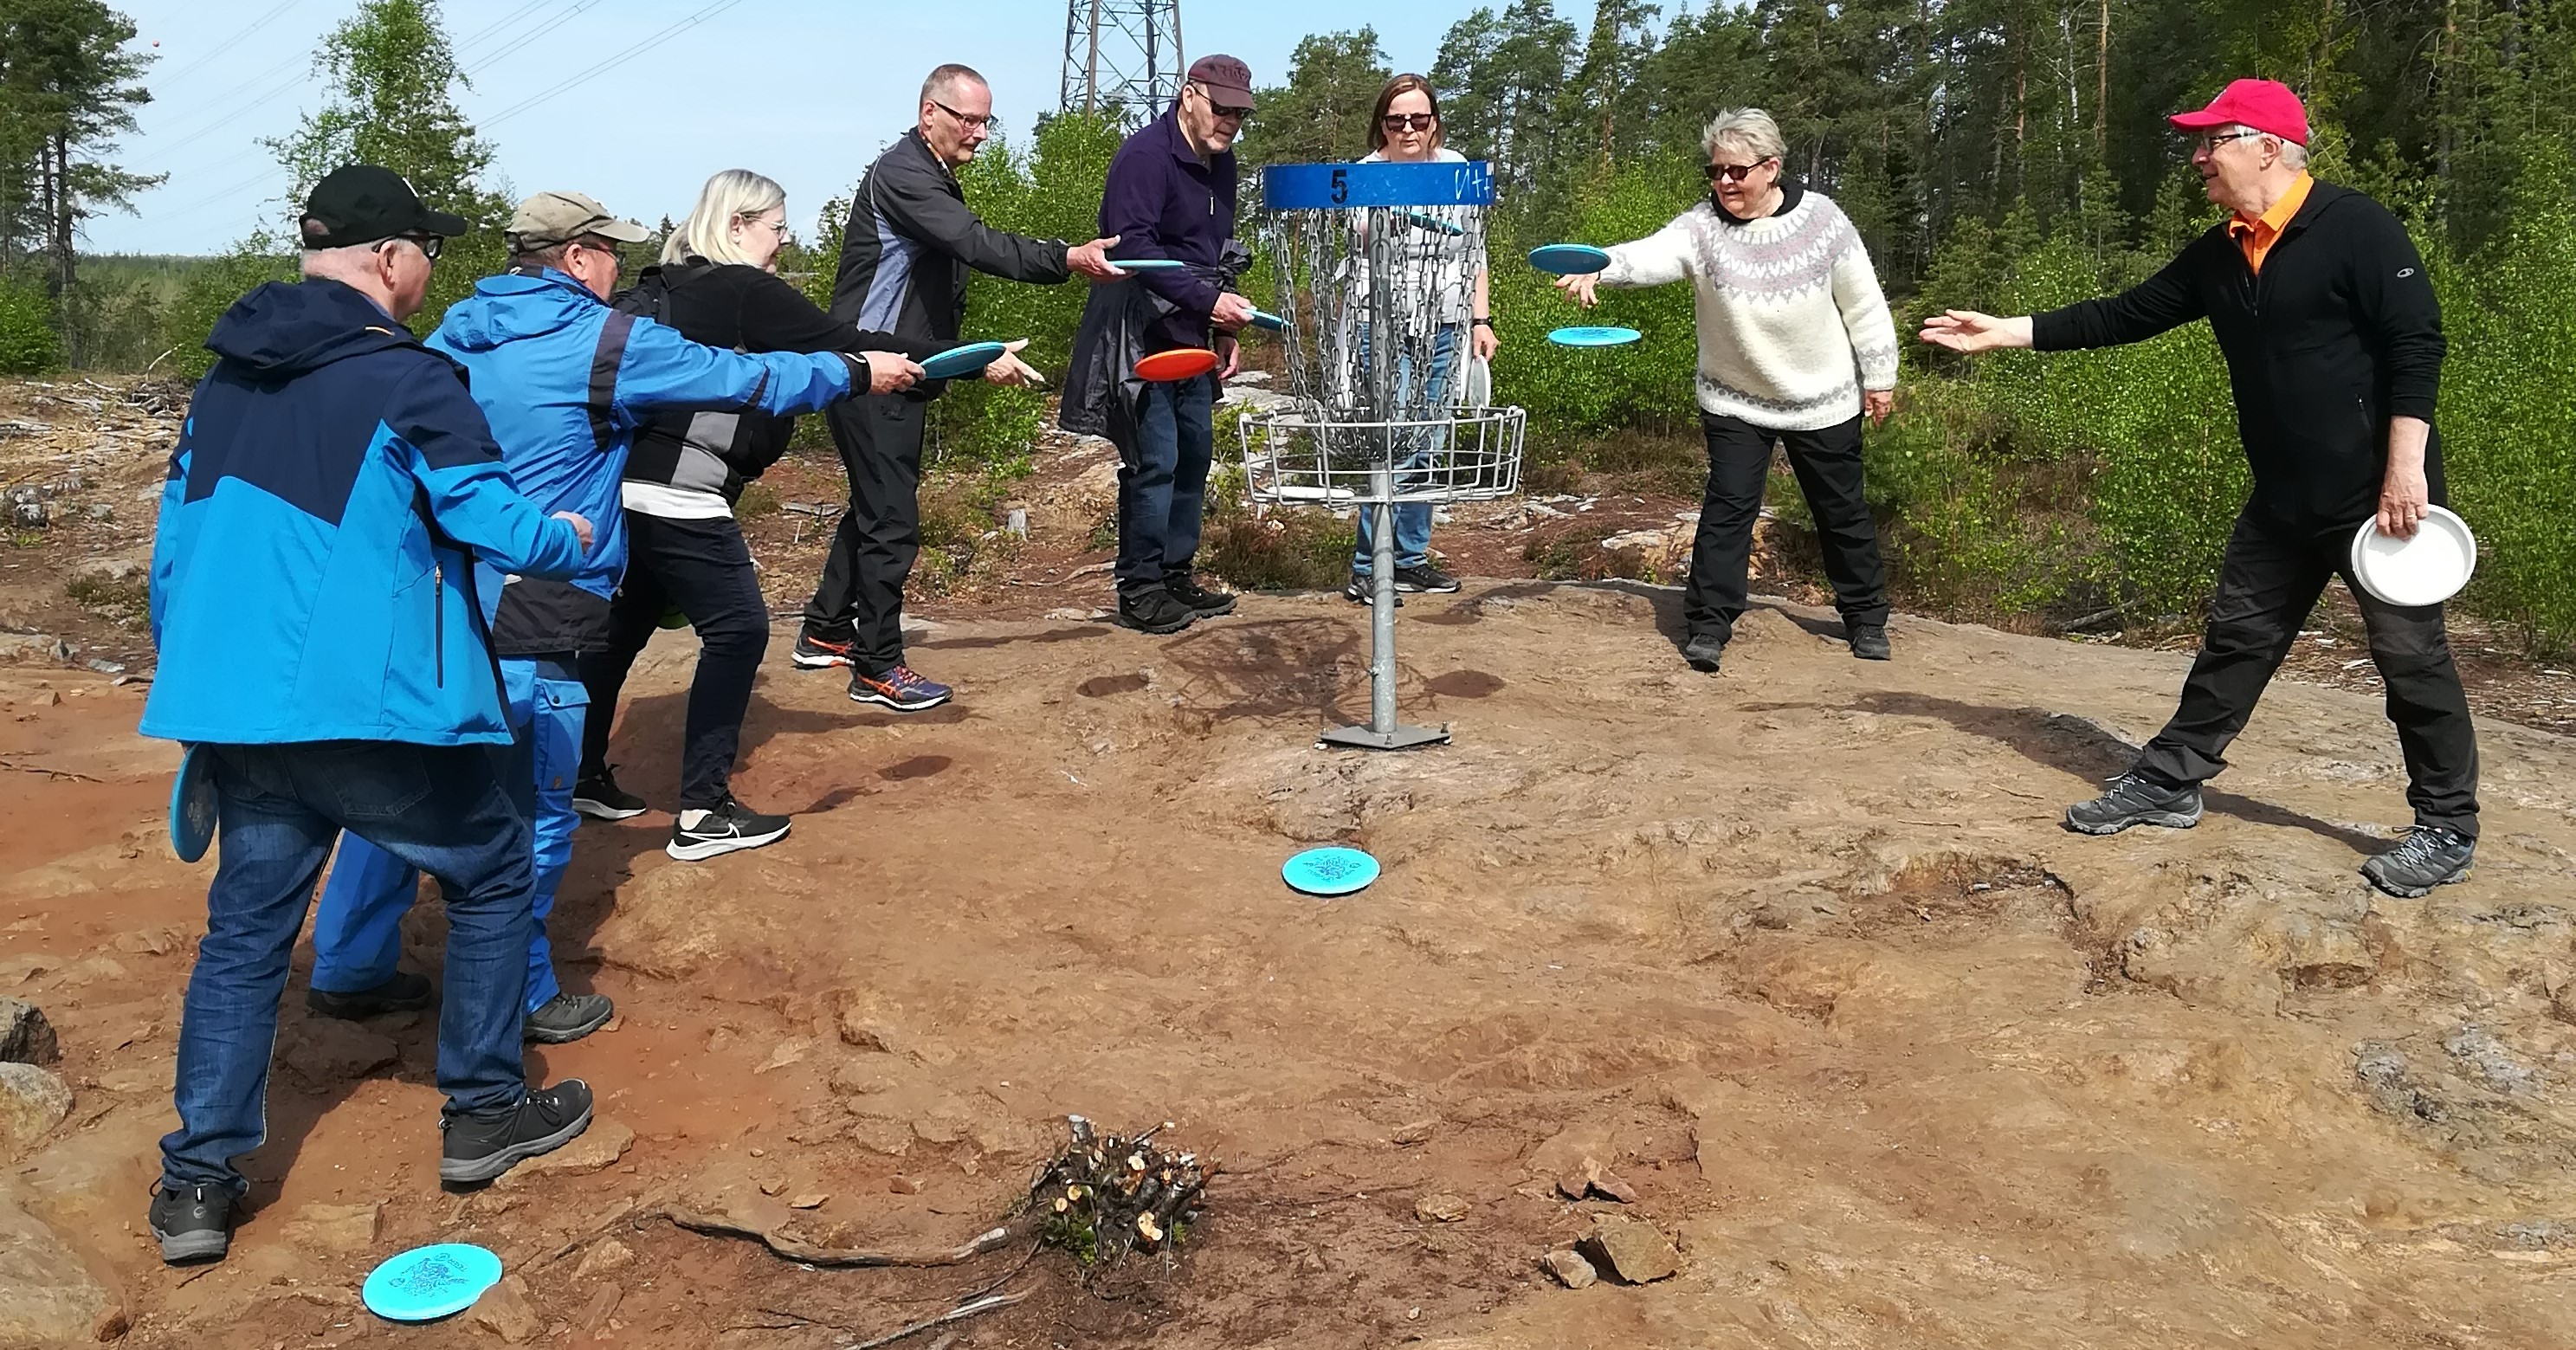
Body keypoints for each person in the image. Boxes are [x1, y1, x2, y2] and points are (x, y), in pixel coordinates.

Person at [142, 166, 602, 1263]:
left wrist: (205, 671)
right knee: (491, 873)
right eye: (426, 250)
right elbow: (487, 514)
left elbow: (173, 548)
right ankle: (484, 1110)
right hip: (369, 707)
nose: (430, 268)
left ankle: (199, 1182)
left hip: (243, 704)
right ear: (391, 257)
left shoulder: (222, 381)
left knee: (246, 935)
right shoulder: (409, 376)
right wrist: (567, 541)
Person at [307, 189, 872, 1046]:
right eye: (612, 252)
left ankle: (346, 965)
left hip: (433, 605)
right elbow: (739, 375)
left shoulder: (456, 331)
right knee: (531, 814)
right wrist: (858, 368)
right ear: (576, 257)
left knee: (401, 791)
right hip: (542, 605)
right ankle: (523, 994)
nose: (622, 268)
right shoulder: (602, 340)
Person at [1920, 78, 2479, 900]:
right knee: (2236, 639)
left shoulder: (2355, 226)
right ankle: (2172, 779)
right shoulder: (2224, 249)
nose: (2197, 156)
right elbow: (2128, 312)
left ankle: (2445, 826)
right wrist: (2006, 332)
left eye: (2212, 140)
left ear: (2268, 147)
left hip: (2379, 499)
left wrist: (2405, 469)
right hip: (2283, 494)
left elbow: (2417, 343)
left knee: (2410, 662)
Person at [579, 171, 930, 857]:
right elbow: (843, 341)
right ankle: (703, 812)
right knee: (739, 630)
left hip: (621, 490)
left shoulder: (661, 288)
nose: (783, 241)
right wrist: (967, 361)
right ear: (737, 225)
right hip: (680, 491)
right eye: (776, 226)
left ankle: (581, 774)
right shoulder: (740, 289)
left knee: (621, 631)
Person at [794, 62, 1125, 710]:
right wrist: (1067, 257)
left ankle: (826, 630)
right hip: (873, 373)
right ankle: (877, 666)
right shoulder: (905, 174)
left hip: (891, 368)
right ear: (929, 115)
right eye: (967, 119)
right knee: (891, 520)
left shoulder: (927, 172)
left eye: (985, 121)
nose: (979, 133)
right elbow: (974, 244)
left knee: (875, 505)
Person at [1558, 107, 1900, 675]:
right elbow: (1651, 253)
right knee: (1727, 511)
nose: (1722, 183)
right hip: (1735, 398)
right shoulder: (1702, 226)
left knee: (1840, 512)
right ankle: (1709, 626)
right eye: (1713, 172)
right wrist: (1599, 267)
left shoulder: (1823, 223)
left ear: (1770, 168)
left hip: (1823, 398)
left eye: (1735, 172)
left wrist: (1880, 377)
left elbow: (1862, 304)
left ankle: (1865, 618)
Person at [1064, 55, 1261, 635]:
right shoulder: (1144, 158)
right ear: (1189, 96)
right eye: (1221, 108)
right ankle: (1140, 587)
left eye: (1239, 113)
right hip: (1137, 331)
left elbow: (1215, 253)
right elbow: (1131, 250)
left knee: (1194, 456)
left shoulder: (1222, 164)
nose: (1230, 122)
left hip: (1191, 334)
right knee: (1155, 461)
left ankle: (1175, 574)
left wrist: (1222, 326)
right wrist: (1207, 305)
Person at [1339, 73, 1496, 604]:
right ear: (1381, 125)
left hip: (1448, 320)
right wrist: (1407, 206)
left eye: (1419, 119)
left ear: (1434, 122)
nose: (1408, 129)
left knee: (1430, 438)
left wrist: (1481, 321)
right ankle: (1369, 564)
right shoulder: (1363, 175)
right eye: (1396, 120)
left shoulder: (1457, 170)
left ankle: (1410, 557)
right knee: (1390, 436)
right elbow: (1363, 233)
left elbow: (1475, 253)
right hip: (1378, 318)